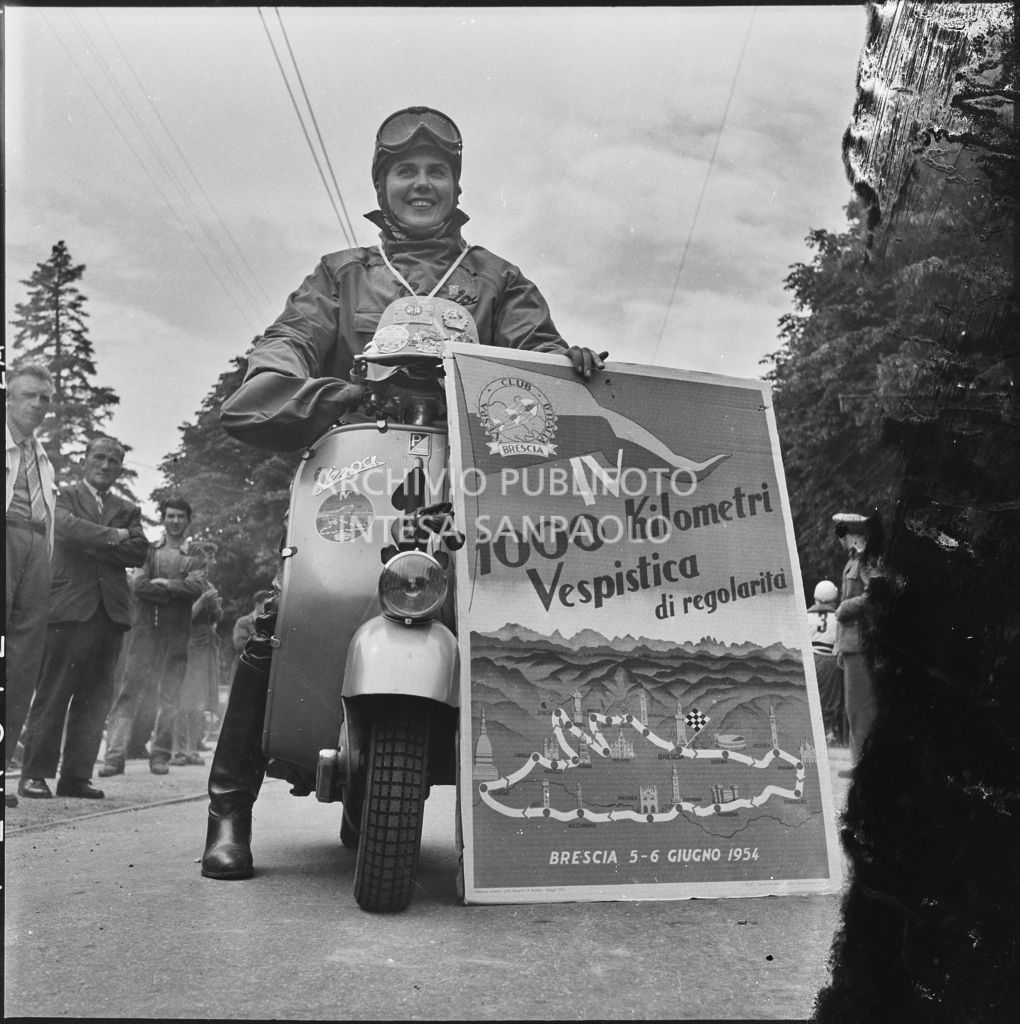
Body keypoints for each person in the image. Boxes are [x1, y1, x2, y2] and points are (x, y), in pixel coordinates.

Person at [201, 105, 608, 879]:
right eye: (405, 172)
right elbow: (289, 342)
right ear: (382, 186)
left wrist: (568, 366)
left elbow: (537, 353)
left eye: (437, 171)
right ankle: (229, 808)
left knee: (521, 619)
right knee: (283, 616)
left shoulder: (496, 278)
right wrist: (303, 380)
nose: (422, 184)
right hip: (363, 468)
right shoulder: (341, 274)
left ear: (457, 183)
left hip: (472, 473)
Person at [17, 438, 148, 800]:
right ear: (85, 460)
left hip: (111, 614)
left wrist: (90, 539)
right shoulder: (63, 495)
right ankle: (34, 774)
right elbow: (64, 529)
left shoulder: (128, 508)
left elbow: (139, 551)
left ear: (120, 467)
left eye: (113, 460)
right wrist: (114, 536)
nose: (106, 465)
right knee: (54, 692)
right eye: (99, 457)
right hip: (69, 609)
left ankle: (76, 778)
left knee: (95, 700)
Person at [100, 497, 207, 777]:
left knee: (169, 696)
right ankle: (114, 757)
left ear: (188, 520)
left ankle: (160, 756)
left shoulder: (196, 553)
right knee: (128, 692)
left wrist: (164, 583)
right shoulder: (148, 550)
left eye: (180, 516)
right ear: (163, 518)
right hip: (145, 631)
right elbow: (138, 585)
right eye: (170, 516)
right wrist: (174, 592)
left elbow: (197, 587)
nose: (175, 521)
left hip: (177, 634)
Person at [5, 363, 58, 808]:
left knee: (23, 664)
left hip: (37, 548)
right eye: (29, 395)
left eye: (45, 398)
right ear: (8, 399)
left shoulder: (43, 460)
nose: (38, 405)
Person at [832, 510, 886, 769]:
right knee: (855, 712)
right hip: (851, 645)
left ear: (853, 534)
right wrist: (839, 647)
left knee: (861, 712)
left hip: (861, 643)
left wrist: (845, 608)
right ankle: (861, 766)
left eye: (842, 533)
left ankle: (863, 769)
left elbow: (876, 595)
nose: (840, 539)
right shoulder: (854, 560)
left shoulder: (867, 560)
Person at [171, 542, 223, 766]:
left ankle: (192, 748)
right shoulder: (185, 584)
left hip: (204, 647)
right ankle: (176, 749)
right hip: (188, 644)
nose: (212, 563)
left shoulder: (208, 585)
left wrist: (216, 608)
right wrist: (203, 601)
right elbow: (181, 618)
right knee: (183, 699)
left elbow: (214, 619)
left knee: (198, 700)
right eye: (209, 558)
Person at [807, 579, 847, 747]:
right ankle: (828, 733)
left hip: (810, 658)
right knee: (829, 700)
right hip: (829, 660)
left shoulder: (805, 615)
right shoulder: (838, 617)